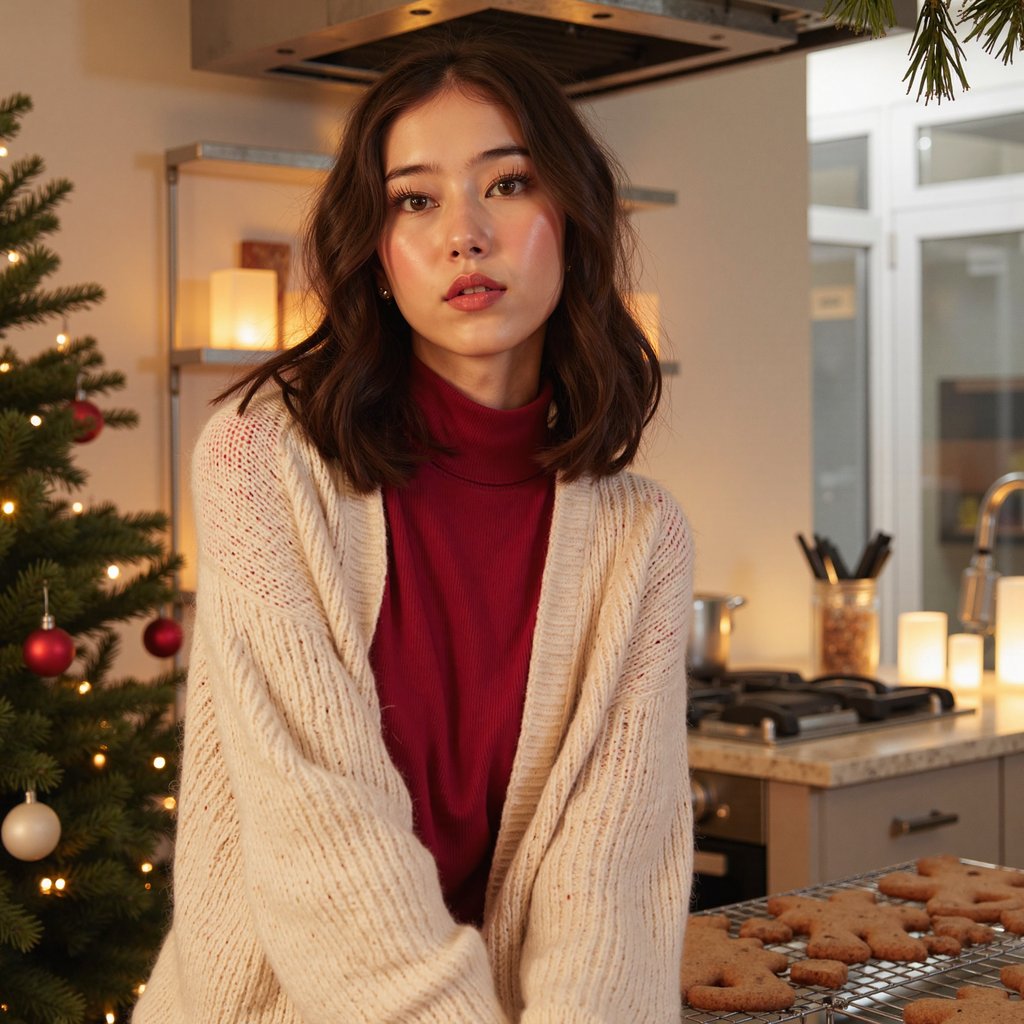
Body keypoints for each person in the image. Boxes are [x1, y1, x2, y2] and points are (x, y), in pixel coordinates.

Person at [134, 33, 694, 1024]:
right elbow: (325, 841)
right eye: (415, 199)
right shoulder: (261, 464)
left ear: (571, 216)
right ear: (378, 255)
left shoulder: (641, 535)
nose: (463, 235)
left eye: (508, 184)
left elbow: (605, 880)